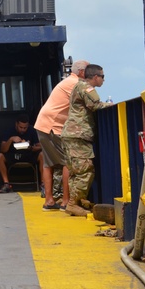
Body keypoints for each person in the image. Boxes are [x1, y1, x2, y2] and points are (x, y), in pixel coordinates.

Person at [61, 64, 116, 216]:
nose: (104, 80)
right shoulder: (86, 88)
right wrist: (110, 105)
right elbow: (96, 105)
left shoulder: (78, 86)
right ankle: (72, 204)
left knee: (75, 172)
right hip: (78, 135)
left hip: (71, 135)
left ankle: (77, 202)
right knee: (86, 171)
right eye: (102, 77)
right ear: (95, 77)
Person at [34, 59, 88, 210]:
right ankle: (66, 200)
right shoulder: (76, 84)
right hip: (53, 125)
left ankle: (49, 200)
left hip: (43, 123)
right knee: (67, 162)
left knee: (48, 163)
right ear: (82, 72)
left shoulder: (67, 82)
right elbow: (89, 102)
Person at [0, 116, 43, 193]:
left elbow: (40, 146)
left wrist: (31, 147)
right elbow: (3, 149)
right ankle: (6, 184)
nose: (23, 130)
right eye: (21, 127)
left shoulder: (32, 130)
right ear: (16, 124)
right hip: (14, 155)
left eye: (25, 128)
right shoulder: (10, 131)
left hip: (28, 154)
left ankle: (43, 184)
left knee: (42, 155)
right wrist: (11, 140)